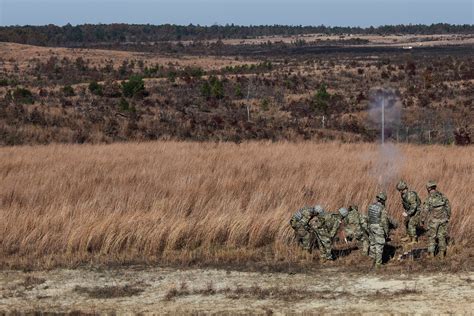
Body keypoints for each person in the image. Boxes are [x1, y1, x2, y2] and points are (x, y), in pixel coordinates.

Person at [422, 181, 451, 258]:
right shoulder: (442, 196)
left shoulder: (429, 198)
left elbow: (425, 210)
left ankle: (431, 254)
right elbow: (448, 207)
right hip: (443, 220)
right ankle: (442, 254)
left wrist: (422, 219)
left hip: (433, 221)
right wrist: (448, 216)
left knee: (432, 237)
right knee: (441, 236)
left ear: (428, 188)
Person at [367, 192, 390, 267]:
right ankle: (378, 264)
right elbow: (384, 222)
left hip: (370, 226)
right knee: (379, 245)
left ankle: (371, 261)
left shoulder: (370, 206)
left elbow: (368, 217)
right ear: (383, 200)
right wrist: (386, 232)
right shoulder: (382, 209)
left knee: (372, 244)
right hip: (378, 227)